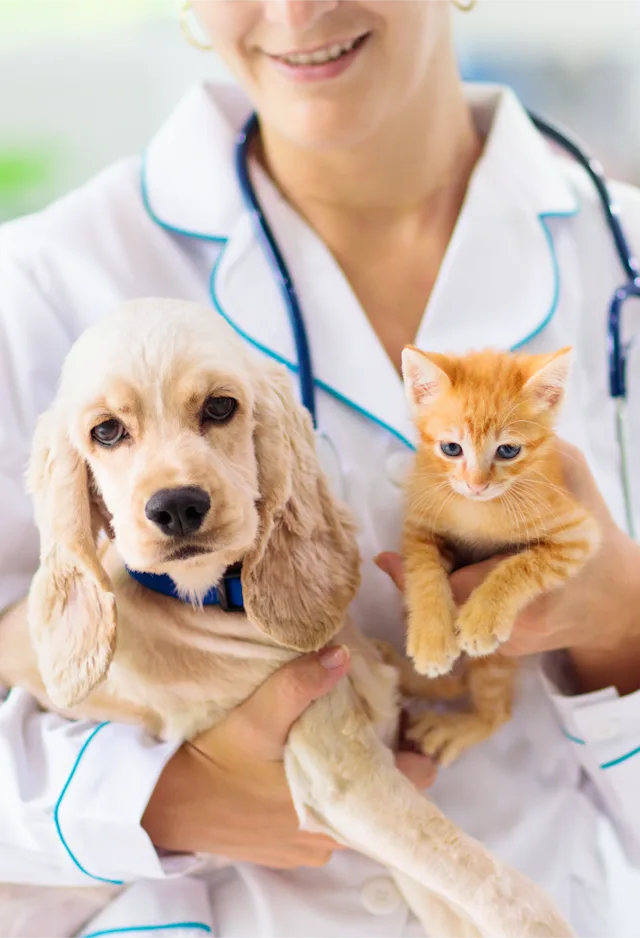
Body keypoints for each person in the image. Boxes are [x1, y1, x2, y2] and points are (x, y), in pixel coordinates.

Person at [1, 0, 639, 935]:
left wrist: (625, 624)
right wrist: (153, 800)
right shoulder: (44, 281)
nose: (298, 10)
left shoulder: (617, 258)